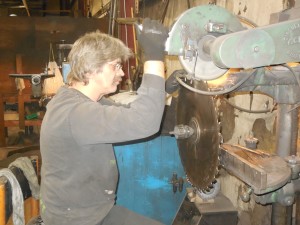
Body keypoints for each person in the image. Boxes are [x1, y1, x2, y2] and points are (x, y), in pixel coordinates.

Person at [39, 18, 169, 225]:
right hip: (78, 219)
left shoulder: (80, 99)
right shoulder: (77, 112)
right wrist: (154, 57)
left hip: (91, 210)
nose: (122, 73)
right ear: (91, 69)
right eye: (115, 66)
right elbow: (144, 121)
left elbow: (130, 113)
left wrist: (163, 89)